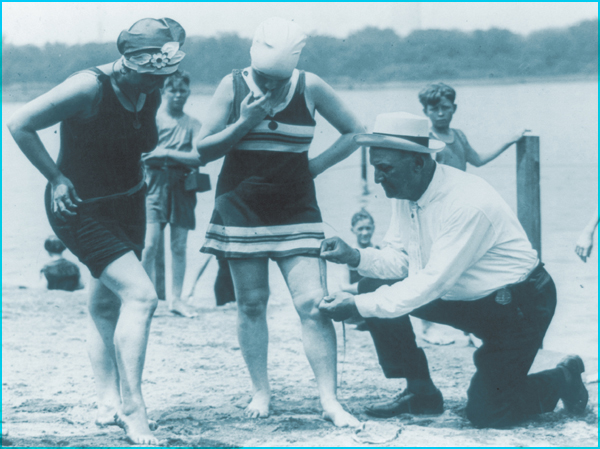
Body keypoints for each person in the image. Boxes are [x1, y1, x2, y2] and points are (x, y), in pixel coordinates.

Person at [319, 112, 589, 429]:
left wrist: (357, 306)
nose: (378, 178)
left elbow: (431, 282)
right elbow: (401, 261)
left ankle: (563, 377)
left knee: (488, 413)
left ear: (418, 163)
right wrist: (354, 256)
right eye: (376, 167)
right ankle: (420, 393)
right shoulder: (406, 190)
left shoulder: (466, 202)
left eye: (385, 168)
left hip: (519, 306)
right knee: (369, 286)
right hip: (465, 299)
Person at [8, 18, 187, 445]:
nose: (158, 82)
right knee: (142, 297)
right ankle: (133, 407)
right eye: (152, 74)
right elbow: (19, 123)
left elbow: (136, 142)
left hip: (130, 203)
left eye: (163, 75)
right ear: (128, 63)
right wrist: (56, 178)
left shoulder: (150, 86)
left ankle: (106, 400)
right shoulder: (88, 87)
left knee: (106, 303)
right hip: (79, 208)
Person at [196, 17, 364, 427]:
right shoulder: (231, 85)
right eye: (263, 77)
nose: (270, 86)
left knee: (313, 305)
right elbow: (201, 151)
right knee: (252, 304)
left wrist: (312, 168)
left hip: (296, 208)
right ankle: (261, 390)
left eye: (277, 79)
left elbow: (355, 132)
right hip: (241, 207)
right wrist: (244, 122)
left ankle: (329, 399)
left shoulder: (310, 85)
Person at [417, 82, 529, 346]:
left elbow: (477, 160)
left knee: (468, 267)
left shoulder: (458, 135)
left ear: (454, 108)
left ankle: (472, 331)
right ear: (425, 111)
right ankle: (427, 327)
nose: (441, 113)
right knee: (430, 266)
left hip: (461, 208)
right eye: (434, 109)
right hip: (435, 210)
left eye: (446, 108)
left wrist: (509, 141)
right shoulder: (426, 139)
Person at [142, 70, 202, 318]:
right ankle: (145, 298)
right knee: (149, 245)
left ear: (188, 93)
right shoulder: (152, 121)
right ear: (163, 92)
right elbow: (142, 154)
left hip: (182, 185)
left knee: (178, 246)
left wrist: (165, 154)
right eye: (172, 90)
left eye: (182, 90)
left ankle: (176, 299)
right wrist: (158, 156)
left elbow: (199, 157)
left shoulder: (194, 124)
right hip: (152, 185)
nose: (178, 95)